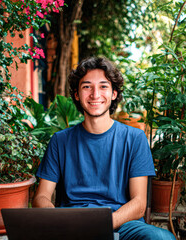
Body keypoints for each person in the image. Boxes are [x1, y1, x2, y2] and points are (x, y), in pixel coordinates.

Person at [33, 56, 175, 240]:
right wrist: (60, 220)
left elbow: (139, 203)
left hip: (123, 225)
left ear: (114, 93)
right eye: (86, 87)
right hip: (73, 224)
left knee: (161, 238)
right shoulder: (60, 141)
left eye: (103, 86)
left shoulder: (134, 138)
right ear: (76, 94)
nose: (95, 94)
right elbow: (40, 197)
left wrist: (100, 225)